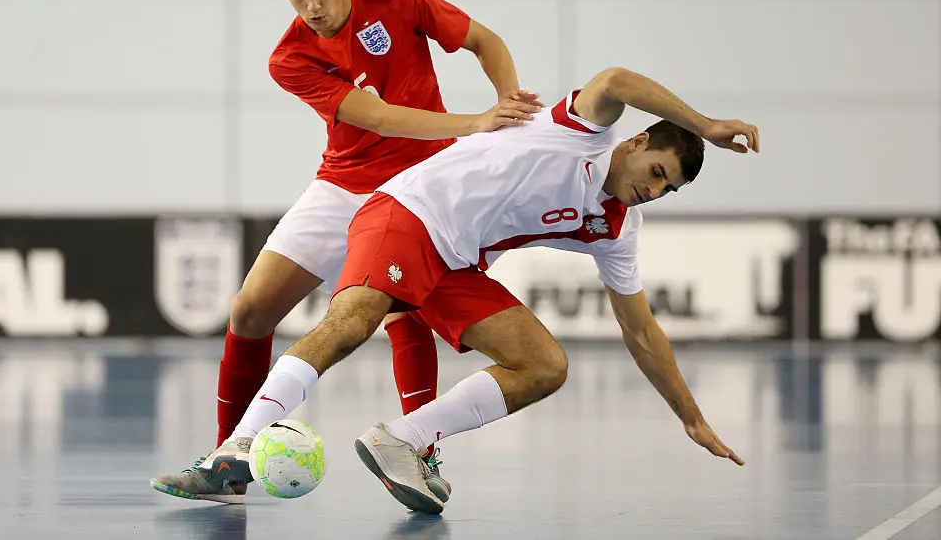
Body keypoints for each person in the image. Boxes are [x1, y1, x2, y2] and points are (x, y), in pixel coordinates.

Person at [169, 66, 758, 513]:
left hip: (454, 264)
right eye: (657, 172)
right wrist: (706, 125)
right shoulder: (581, 132)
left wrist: (691, 417)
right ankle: (237, 447)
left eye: (668, 190)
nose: (654, 191)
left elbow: (641, 330)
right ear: (634, 144)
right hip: (407, 211)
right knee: (352, 323)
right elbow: (617, 80)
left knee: (545, 365)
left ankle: (403, 439)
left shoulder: (616, 228)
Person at [150, 0, 542, 504]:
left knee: (402, 313)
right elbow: (377, 117)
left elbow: (486, 42)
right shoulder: (289, 59)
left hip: (422, 187)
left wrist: (506, 104)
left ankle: (419, 452)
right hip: (344, 184)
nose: (310, 5)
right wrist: (475, 124)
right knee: (251, 309)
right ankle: (229, 459)